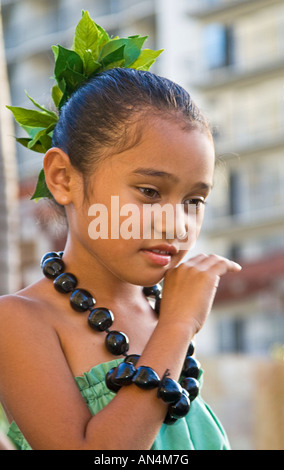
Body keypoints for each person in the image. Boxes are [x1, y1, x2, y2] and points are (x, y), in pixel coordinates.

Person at [0, 15, 242, 451]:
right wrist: (179, 325)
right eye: (149, 191)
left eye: (195, 200)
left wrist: (173, 324)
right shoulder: (19, 322)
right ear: (62, 178)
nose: (177, 223)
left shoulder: (161, 313)